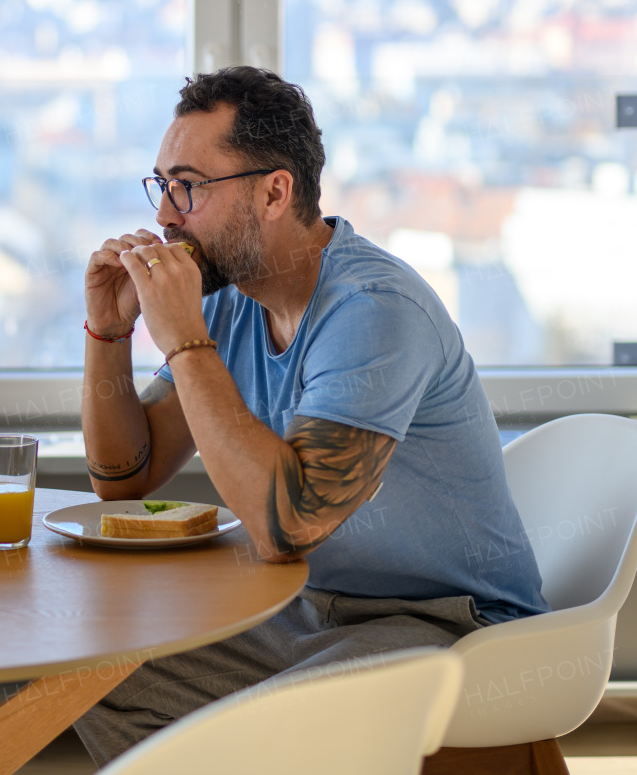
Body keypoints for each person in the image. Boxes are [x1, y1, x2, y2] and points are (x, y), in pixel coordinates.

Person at [73, 66, 548, 765]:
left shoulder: (373, 311)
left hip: (449, 623)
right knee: (85, 672)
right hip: (306, 610)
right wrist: (108, 333)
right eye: (161, 186)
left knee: (271, 730)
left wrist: (182, 337)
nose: (166, 216)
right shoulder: (234, 303)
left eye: (188, 186)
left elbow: (287, 523)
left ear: (274, 191)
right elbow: (125, 478)